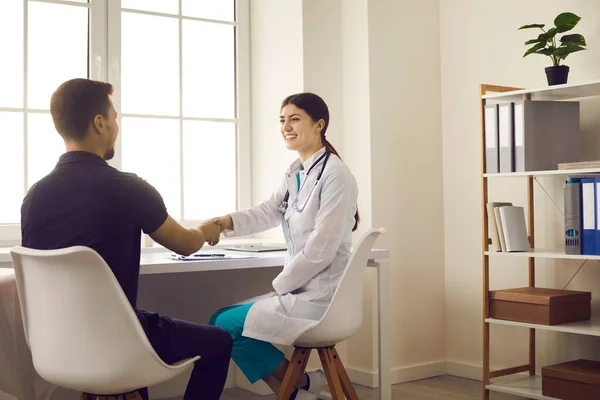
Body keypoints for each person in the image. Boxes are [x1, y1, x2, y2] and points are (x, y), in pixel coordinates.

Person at [20, 78, 232, 400]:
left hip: (58, 346)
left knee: (131, 331)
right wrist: (205, 230)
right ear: (100, 123)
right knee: (218, 341)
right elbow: (186, 244)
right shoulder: (127, 188)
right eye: (115, 117)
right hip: (117, 344)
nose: (117, 126)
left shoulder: (34, 196)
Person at [209, 92, 359, 400]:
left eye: (294, 119)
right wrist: (225, 222)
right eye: (282, 120)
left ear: (320, 125)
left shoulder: (336, 175)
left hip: (321, 298)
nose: (286, 126)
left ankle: (299, 387)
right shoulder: (296, 172)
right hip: (300, 289)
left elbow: (321, 249)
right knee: (219, 322)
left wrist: (282, 285)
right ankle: (300, 388)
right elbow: (268, 211)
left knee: (223, 325)